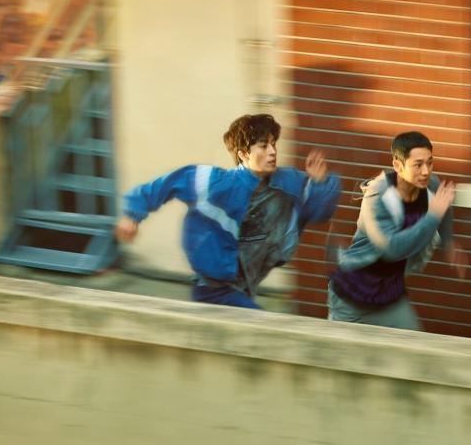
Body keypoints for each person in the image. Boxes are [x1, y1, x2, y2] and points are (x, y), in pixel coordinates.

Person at [116, 113, 342, 309]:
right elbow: (168, 184)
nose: (273, 151)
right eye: (264, 146)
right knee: (263, 331)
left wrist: (320, 183)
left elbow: (319, 212)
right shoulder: (217, 183)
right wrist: (131, 216)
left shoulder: (288, 182)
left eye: (274, 144)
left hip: (245, 288)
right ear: (243, 154)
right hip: (214, 291)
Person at [328, 130, 467, 330]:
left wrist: (448, 243)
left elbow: (443, 205)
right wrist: (433, 215)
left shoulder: (430, 185)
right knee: (339, 350)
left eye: (430, 163)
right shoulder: (377, 196)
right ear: (398, 166)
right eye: (418, 165)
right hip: (351, 299)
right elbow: (392, 249)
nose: (426, 171)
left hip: (390, 298)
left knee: (414, 344)